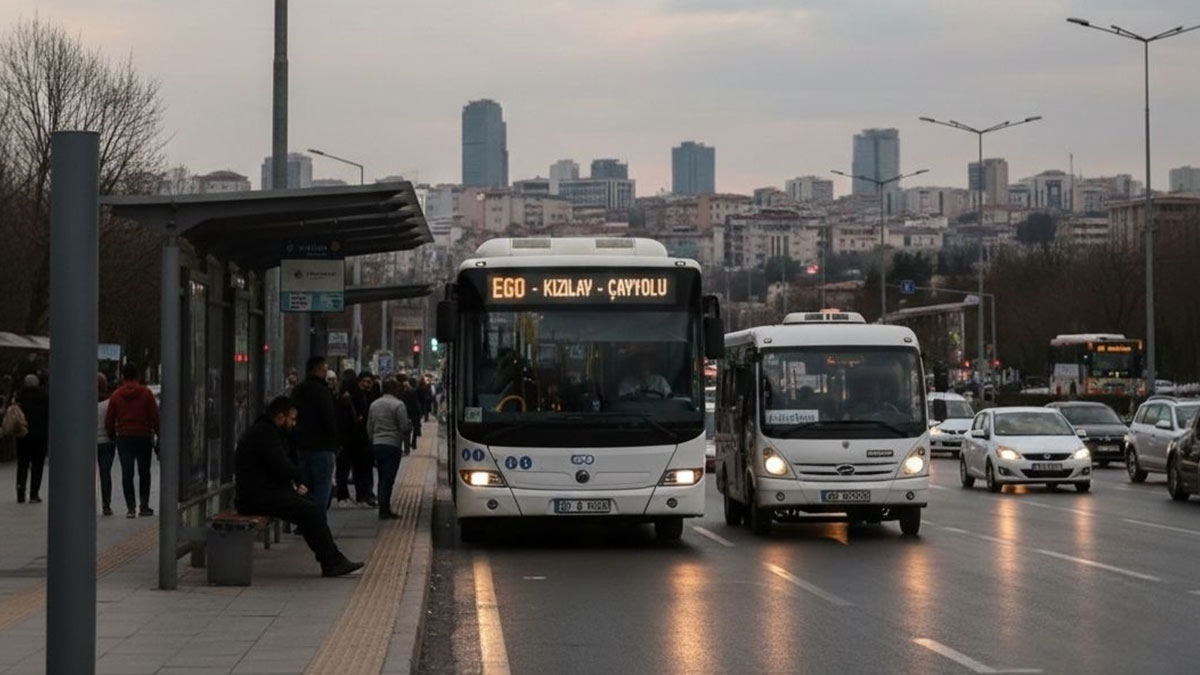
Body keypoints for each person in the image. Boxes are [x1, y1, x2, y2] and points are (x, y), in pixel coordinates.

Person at [234, 396, 363, 577]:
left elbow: (279, 465)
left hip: (261, 492)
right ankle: (332, 561)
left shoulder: (267, 432)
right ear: (280, 416)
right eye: (292, 419)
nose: (294, 424)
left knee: (310, 507)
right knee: (310, 510)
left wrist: (296, 484)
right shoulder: (265, 434)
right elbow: (281, 464)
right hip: (256, 497)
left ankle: (332, 560)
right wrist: (298, 479)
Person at [105, 364, 159, 518]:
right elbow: (154, 416)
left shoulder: (116, 395)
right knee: (144, 472)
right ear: (138, 377)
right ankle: (144, 506)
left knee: (127, 473)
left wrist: (112, 435)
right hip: (143, 436)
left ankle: (130, 508)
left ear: (123, 377)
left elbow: (109, 419)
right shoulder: (147, 394)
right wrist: (158, 434)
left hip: (124, 437)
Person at [290, 356, 339, 519]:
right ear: (318, 370)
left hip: (302, 446)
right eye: (324, 369)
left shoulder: (298, 390)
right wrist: (335, 442)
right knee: (322, 488)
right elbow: (329, 419)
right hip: (322, 447)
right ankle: (316, 522)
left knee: (305, 486)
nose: (325, 372)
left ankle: (304, 520)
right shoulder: (322, 391)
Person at [366, 378, 411, 519]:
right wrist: (407, 446)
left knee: (381, 476)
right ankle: (384, 509)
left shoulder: (374, 404)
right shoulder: (399, 405)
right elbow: (404, 427)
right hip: (392, 445)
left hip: (377, 444)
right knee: (388, 478)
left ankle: (383, 506)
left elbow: (369, 426)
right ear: (394, 389)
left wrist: (373, 441)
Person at [15, 374, 49, 504]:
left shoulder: (20, 396)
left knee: (22, 464)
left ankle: (20, 492)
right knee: (37, 465)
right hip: (39, 436)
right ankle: (34, 493)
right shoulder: (44, 396)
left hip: (23, 435)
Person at [96, 373, 116, 516]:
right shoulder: (110, 403)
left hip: (90, 443)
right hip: (107, 442)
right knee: (105, 473)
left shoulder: (85, 402)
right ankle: (106, 504)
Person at [399, 377, 423, 456]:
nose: (405, 388)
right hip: (405, 415)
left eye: (406, 386)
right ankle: (405, 449)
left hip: (409, 416)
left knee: (406, 433)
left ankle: (406, 450)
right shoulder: (402, 393)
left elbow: (415, 406)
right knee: (404, 434)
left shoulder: (411, 393)